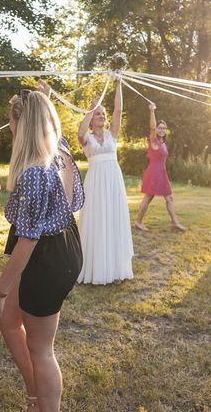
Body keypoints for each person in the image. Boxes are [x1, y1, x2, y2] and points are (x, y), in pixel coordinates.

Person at [0, 87, 83, 412]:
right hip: (60, 247)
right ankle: (34, 395)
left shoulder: (36, 173)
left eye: (13, 120)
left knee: (42, 349)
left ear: (20, 124)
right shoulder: (57, 150)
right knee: (10, 322)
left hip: (48, 258)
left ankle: (44, 405)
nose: (10, 126)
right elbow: (52, 126)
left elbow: (27, 241)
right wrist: (43, 99)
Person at [76, 78, 134, 284]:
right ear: (92, 119)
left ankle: (115, 267)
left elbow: (118, 110)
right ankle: (95, 267)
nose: (101, 116)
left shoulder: (112, 135)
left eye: (102, 113)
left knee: (113, 218)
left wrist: (118, 83)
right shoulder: (87, 138)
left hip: (113, 182)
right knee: (96, 219)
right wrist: (91, 109)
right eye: (97, 114)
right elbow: (80, 132)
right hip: (95, 182)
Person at [134, 102, 186, 232]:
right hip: (154, 173)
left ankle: (175, 222)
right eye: (160, 128)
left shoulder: (162, 142)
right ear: (156, 129)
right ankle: (138, 222)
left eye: (164, 128)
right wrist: (152, 111)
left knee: (169, 197)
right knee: (149, 197)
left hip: (161, 173)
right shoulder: (154, 141)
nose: (162, 130)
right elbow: (152, 128)